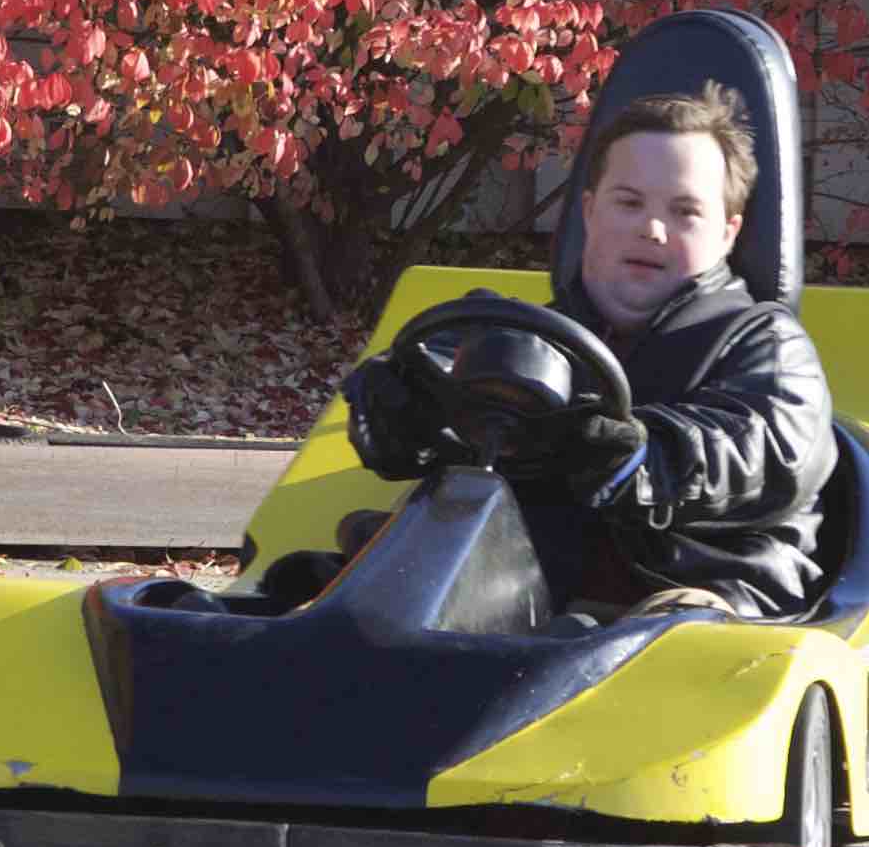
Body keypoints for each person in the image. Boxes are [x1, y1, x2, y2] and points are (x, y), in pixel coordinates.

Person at [342, 90, 837, 620]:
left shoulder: (765, 343)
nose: (652, 228)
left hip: (690, 596)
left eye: (685, 211)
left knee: (652, 642)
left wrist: (633, 455)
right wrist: (405, 407)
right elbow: (427, 397)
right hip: (513, 596)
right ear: (589, 210)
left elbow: (765, 451)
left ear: (727, 233)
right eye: (629, 203)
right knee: (329, 597)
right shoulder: (525, 339)